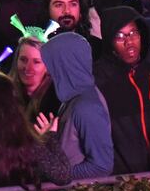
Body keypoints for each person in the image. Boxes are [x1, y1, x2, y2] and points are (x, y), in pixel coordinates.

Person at [93, 7, 150, 174]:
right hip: (121, 179)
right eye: (120, 36)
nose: (129, 41)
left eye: (133, 33)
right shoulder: (97, 80)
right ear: (109, 40)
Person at [43, 32, 112, 178]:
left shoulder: (87, 107)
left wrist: (62, 175)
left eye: (53, 63)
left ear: (65, 63)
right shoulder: (73, 99)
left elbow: (102, 167)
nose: (48, 70)